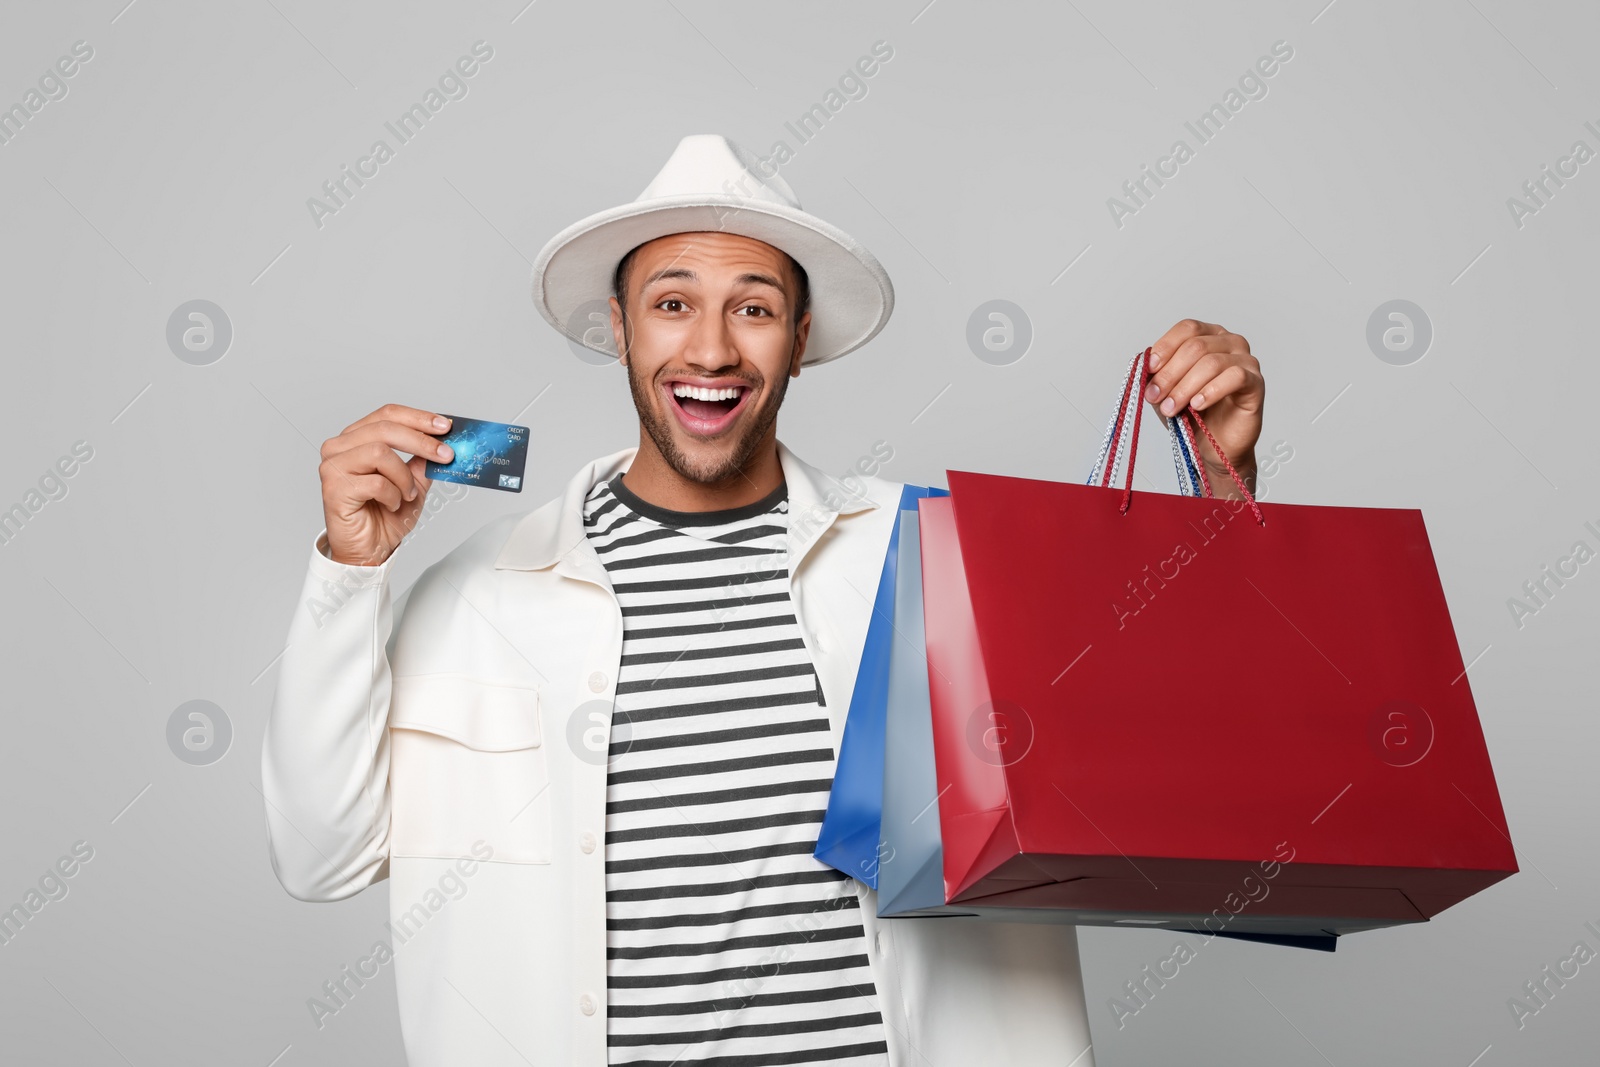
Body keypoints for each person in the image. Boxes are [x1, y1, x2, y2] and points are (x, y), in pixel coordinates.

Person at [261, 133, 1265, 1066]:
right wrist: (349, 573)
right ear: (616, 328)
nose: (709, 349)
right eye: (670, 303)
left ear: (798, 335)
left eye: (751, 305)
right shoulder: (477, 597)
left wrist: (1219, 482)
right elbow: (320, 855)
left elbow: (1175, 767)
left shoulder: (931, 554)